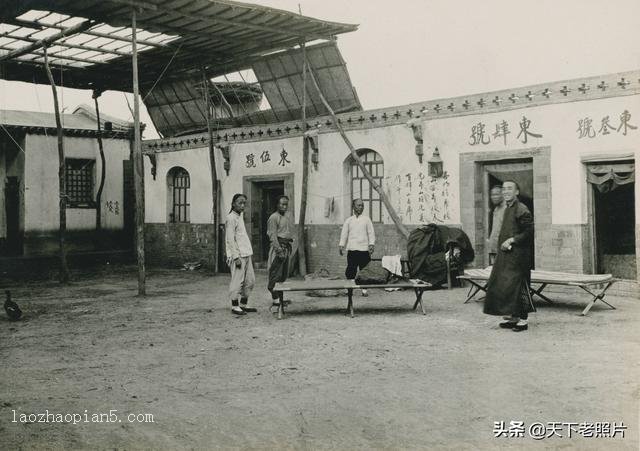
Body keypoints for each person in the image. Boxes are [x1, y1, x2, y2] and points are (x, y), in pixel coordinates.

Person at [483, 180, 535, 331]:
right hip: (507, 255)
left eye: (509, 189)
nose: (506, 191)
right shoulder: (508, 208)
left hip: (519, 256)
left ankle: (523, 321)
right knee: (507, 286)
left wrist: (513, 239)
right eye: (504, 189)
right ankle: (514, 317)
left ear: (517, 192)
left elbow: (529, 232)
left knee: (520, 286)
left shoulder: (521, 208)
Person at [225, 194, 256, 316]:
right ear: (233, 204)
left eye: (244, 203)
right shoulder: (231, 218)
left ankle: (243, 303)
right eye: (240, 203)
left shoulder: (239, 217)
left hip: (246, 253)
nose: (242, 206)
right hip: (238, 256)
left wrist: (247, 253)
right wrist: (235, 257)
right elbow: (230, 240)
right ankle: (235, 305)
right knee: (237, 281)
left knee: (250, 280)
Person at [339, 198, 375, 296]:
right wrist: (341, 245)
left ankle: (364, 290)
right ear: (353, 207)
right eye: (359, 205)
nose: (361, 207)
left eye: (362, 205)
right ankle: (349, 289)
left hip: (364, 250)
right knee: (351, 270)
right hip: (352, 249)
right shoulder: (349, 220)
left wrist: (371, 244)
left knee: (364, 271)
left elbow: (371, 233)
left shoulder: (367, 219)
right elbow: (344, 234)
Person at [267, 195, 294, 305]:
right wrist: (279, 251)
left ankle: (280, 299)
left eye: (286, 204)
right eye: (282, 204)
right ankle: (276, 300)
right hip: (279, 248)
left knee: (283, 275)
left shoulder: (287, 216)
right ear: (277, 205)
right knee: (275, 274)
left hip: (286, 247)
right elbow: (272, 236)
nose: (284, 206)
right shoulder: (273, 217)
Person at [487, 185, 506, 265]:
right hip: (493, 248)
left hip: (503, 248)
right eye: (492, 195)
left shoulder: (507, 208)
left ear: (503, 195)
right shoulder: (496, 209)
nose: (493, 197)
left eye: (496, 194)